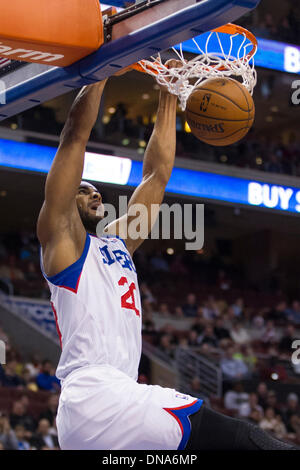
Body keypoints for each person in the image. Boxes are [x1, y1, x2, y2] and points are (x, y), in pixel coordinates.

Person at [37, 68, 298, 451]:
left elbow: (156, 176)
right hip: (96, 396)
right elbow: (74, 135)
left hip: (112, 404)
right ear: (64, 199)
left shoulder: (117, 244)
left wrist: (168, 92)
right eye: (83, 190)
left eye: (96, 191)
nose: (95, 195)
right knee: (242, 439)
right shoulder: (61, 241)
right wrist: (104, 67)